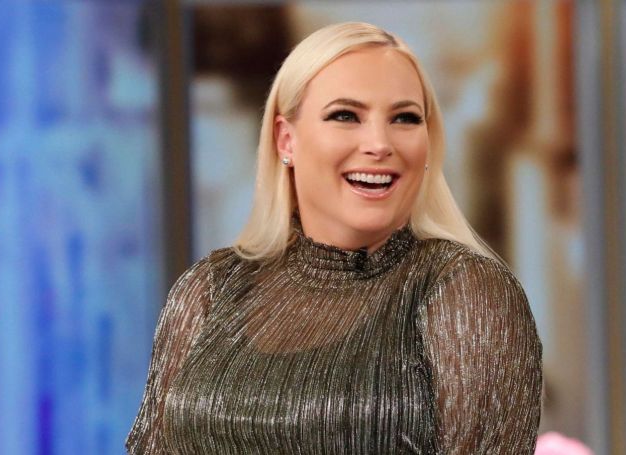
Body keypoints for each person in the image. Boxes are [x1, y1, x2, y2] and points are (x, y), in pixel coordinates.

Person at [126, 22, 542, 454]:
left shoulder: (465, 291)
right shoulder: (209, 288)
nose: (379, 144)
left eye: (405, 118)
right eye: (345, 116)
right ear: (286, 139)